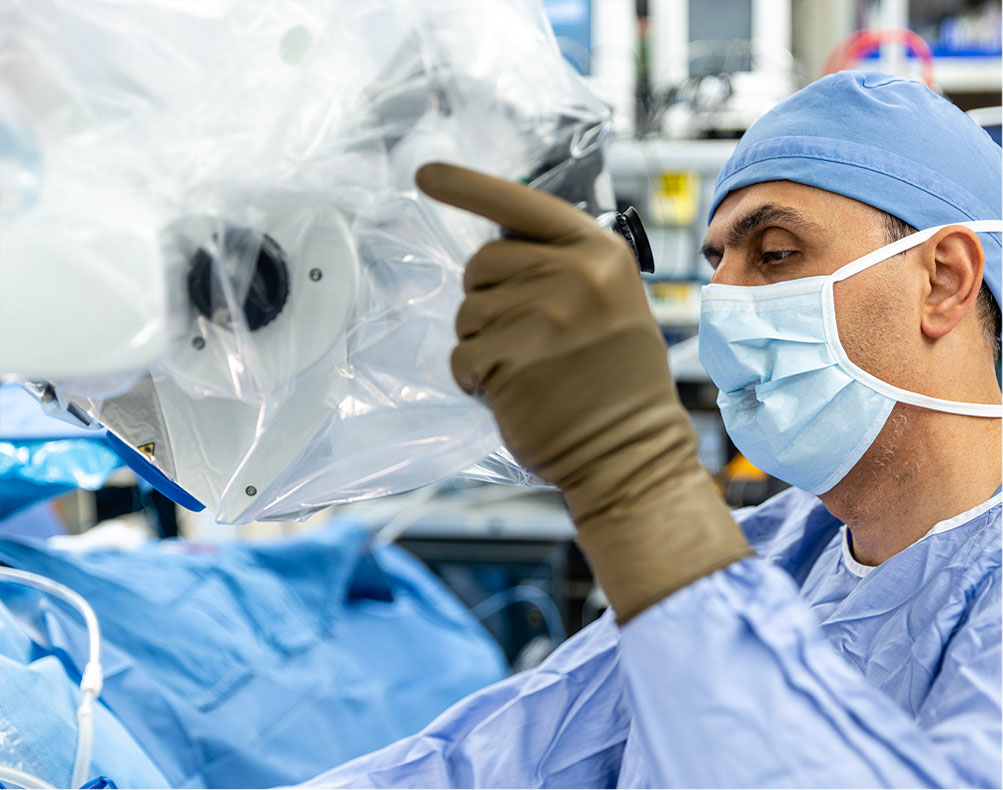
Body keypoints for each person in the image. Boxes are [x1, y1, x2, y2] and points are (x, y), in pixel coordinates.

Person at [303, 71, 1002, 788]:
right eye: (715, 263)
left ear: (941, 280)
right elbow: (486, 762)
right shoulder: (774, 555)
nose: (721, 302)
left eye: (774, 254)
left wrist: (636, 484)